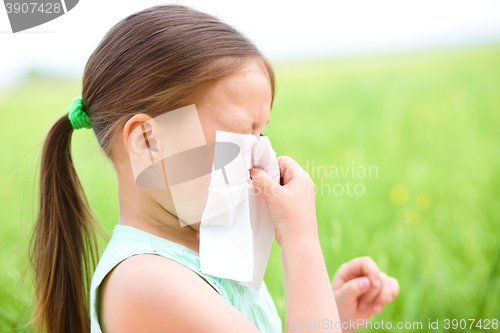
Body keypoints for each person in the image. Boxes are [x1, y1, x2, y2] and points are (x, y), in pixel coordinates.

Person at [30, 5, 399, 333]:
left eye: (262, 134)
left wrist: (331, 314)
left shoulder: (208, 252)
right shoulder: (145, 282)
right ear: (147, 142)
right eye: (239, 137)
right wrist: (302, 240)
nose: (261, 158)